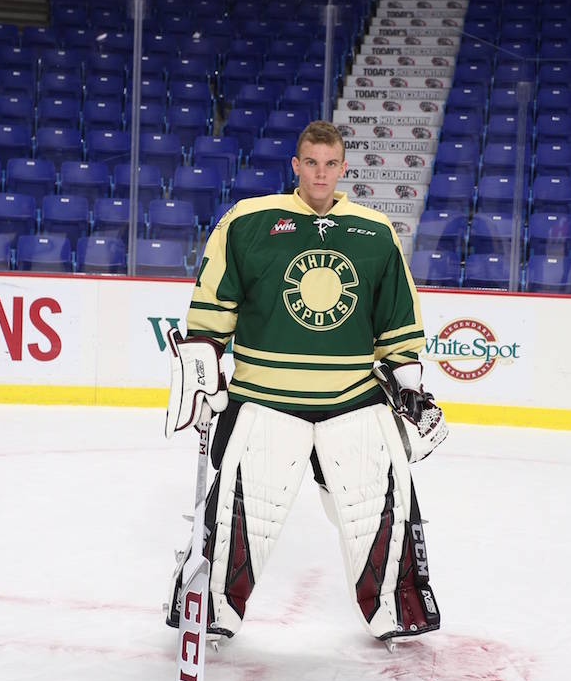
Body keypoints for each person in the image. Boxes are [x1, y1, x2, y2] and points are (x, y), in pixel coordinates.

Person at [165, 120, 447, 643]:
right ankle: (210, 606)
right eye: (310, 163)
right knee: (240, 513)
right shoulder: (247, 222)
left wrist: (410, 388)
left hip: (353, 402)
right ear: (295, 166)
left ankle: (396, 609)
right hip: (263, 401)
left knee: (378, 509)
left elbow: (395, 322)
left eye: (330, 164)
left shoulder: (374, 232)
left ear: (343, 169)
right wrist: (203, 376)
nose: (320, 173)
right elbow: (210, 313)